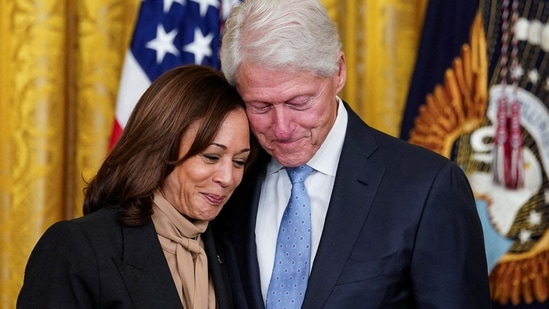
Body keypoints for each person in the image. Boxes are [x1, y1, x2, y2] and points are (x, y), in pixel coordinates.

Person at [211, 0, 492, 308]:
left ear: (339, 72)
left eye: (299, 103)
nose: (281, 129)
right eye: (261, 106)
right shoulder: (226, 180)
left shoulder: (428, 189)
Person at [17, 64, 256, 309]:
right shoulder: (76, 247)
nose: (228, 177)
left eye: (239, 161)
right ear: (162, 147)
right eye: (211, 157)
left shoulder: (230, 251)